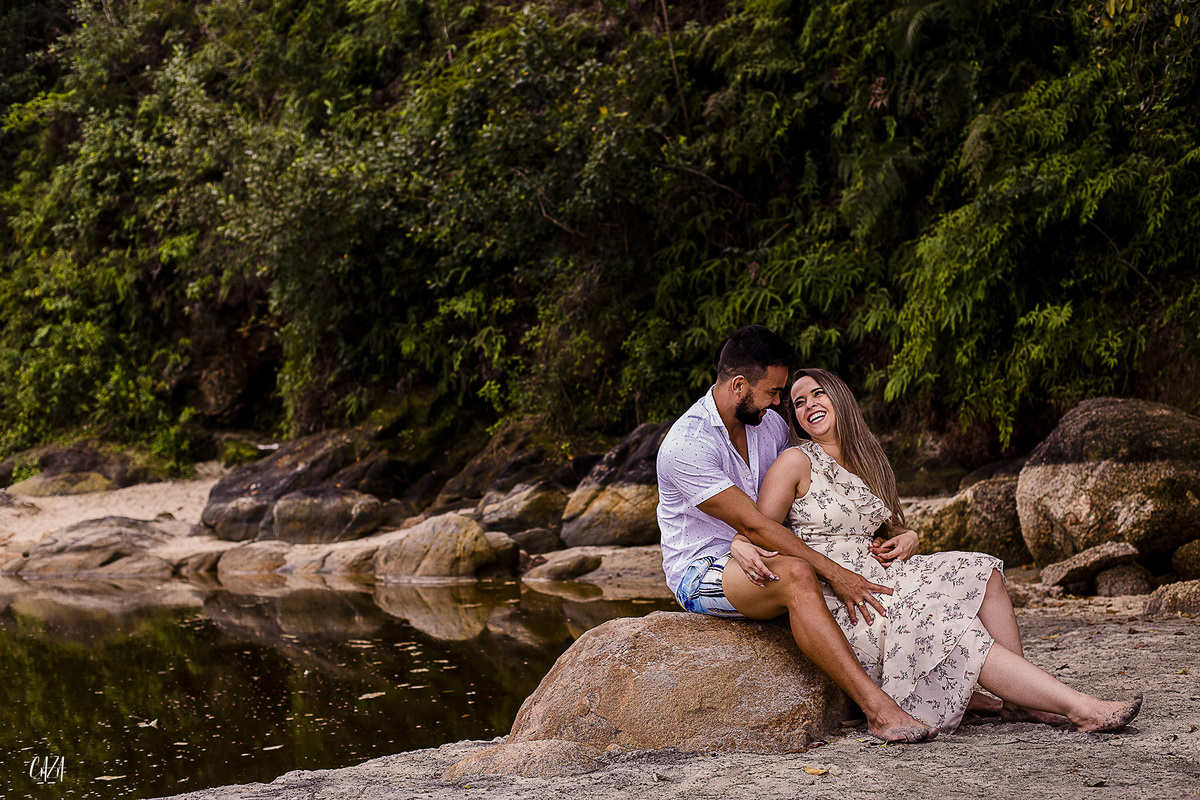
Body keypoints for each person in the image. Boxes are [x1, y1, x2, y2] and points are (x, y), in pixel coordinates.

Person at [731, 366, 1142, 732]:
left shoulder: (869, 459)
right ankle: (1079, 707)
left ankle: (1020, 701)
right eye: (799, 402)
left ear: (840, 398)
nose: (808, 405)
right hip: (845, 592)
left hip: (883, 569)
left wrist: (911, 537)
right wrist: (737, 543)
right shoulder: (794, 461)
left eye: (817, 393)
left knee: (984, 570)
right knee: (944, 622)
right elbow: (761, 529)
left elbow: (890, 528)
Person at [657, 325, 940, 743]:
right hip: (703, 568)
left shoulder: (767, 424)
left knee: (887, 588)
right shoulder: (687, 444)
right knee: (800, 576)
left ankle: (951, 688)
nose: (779, 403)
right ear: (739, 385)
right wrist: (835, 573)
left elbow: (815, 486)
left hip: (764, 548)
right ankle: (877, 710)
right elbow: (753, 524)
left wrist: (897, 530)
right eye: (773, 392)